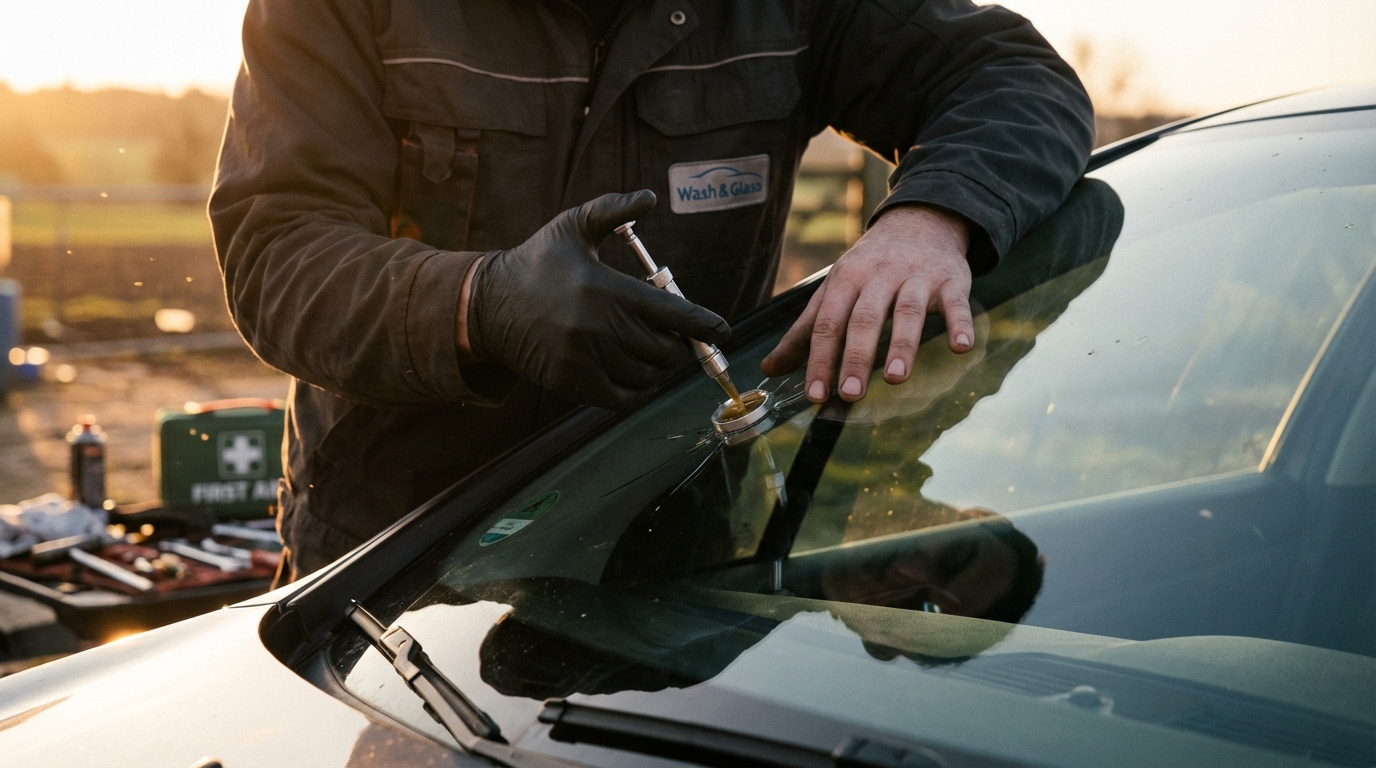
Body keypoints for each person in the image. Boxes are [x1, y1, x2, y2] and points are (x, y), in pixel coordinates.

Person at [210, 0, 1094, 581]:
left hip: (675, 539)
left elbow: (1015, 80)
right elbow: (276, 252)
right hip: (403, 552)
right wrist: (482, 303)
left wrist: (932, 219)